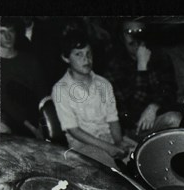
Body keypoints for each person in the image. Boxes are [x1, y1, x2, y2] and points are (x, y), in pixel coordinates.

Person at [52, 30, 132, 169]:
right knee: (110, 171)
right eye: (78, 54)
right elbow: (73, 130)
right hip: (83, 145)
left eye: (89, 53)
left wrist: (118, 142)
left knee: (144, 157)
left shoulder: (103, 83)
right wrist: (109, 148)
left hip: (109, 138)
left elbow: (113, 119)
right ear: (66, 58)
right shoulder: (61, 89)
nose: (86, 59)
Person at [105, 19, 181, 142]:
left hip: (159, 117)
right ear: (121, 36)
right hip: (134, 129)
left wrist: (154, 106)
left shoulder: (160, 56)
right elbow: (130, 112)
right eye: (129, 31)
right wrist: (142, 68)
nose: (135, 36)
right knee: (174, 119)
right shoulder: (115, 65)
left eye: (140, 31)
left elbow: (170, 91)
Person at [0, 17, 48, 138]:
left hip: (36, 121)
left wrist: (43, 125)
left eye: (10, 31)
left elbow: (43, 96)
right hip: (10, 124)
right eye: (2, 32)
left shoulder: (30, 60)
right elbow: (6, 103)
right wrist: (32, 128)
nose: (8, 36)